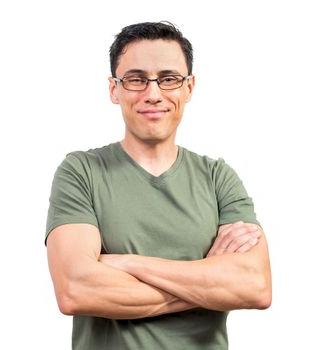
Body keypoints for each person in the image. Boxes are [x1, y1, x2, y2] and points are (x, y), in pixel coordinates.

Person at [45, 22, 272, 349]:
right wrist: (208, 283)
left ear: (188, 88)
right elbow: (75, 290)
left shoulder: (218, 178)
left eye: (169, 79)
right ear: (114, 89)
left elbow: (256, 286)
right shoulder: (82, 172)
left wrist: (126, 263)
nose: (153, 94)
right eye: (136, 80)